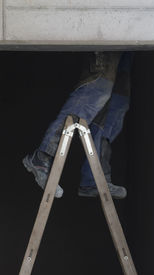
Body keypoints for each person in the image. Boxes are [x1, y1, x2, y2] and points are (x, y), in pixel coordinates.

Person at [23, 52, 133, 199]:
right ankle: (41, 158)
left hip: (125, 48)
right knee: (97, 88)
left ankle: (94, 178)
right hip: (107, 38)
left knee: (116, 104)